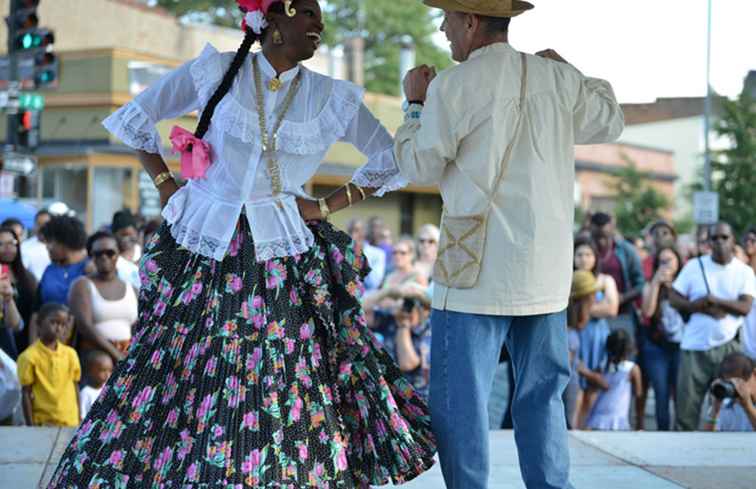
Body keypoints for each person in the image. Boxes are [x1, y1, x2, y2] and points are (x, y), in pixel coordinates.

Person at [48, 1, 435, 487]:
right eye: (309, 13)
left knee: (284, 378)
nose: (320, 24)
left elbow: (394, 157)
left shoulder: (330, 96)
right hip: (203, 251)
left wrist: (329, 203)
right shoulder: (215, 70)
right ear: (274, 20)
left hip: (283, 256)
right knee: (185, 371)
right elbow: (137, 117)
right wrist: (167, 183)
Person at [395, 0, 623, 486]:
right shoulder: (557, 80)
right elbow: (610, 119)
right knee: (542, 395)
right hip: (543, 272)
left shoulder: (452, 86)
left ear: (472, 21)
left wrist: (414, 103)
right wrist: (570, 70)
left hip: (473, 271)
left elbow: (417, 166)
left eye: (449, 19)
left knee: (461, 403)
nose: (443, 27)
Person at [670, 221, 756, 430]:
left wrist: (714, 300)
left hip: (728, 348)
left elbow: (745, 307)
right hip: (694, 347)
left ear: (732, 240)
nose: (719, 242)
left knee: (732, 405)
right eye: (714, 238)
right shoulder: (694, 266)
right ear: (708, 242)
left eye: (724, 238)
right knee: (687, 412)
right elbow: (673, 297)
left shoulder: (743, 271)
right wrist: (697, 305)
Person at [69, 231, 138, 364]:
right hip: (94, 360)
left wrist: (129, 357)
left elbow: (137, 328)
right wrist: (116, 355)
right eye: (98, 254)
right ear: (91, 257)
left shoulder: (132, 289)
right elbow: (84, 326)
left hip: (126, 358)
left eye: (110, 253)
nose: (104, 257)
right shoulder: (82, 285)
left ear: (118, 254)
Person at [572, 237, 619, 428]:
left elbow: (612, 309)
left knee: (592, 391)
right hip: (577, 338)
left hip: (598, 339)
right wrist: (596, 307)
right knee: (576, 391)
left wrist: (579, 308)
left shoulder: (605, 280)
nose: (583, 259)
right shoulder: (569, 279)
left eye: (588, 254)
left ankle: (586, 430)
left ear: (595, 258)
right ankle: (573, 430)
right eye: (579, 254)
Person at [640, 246, 684, 430]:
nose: (666, 264)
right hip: (657, 347)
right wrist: (657, 284)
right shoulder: (650, 285)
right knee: (661, 391)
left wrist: (671, 286)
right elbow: (647, 312)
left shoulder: (685, 283)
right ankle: (663, 432)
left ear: (678, 262)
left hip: (681, 346)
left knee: (681, 392)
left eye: (670, 260)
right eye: (662, 261)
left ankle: (681, 432)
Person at [17, 303, 80, 427]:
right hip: (43, 422)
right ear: (39, 323)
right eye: (54, 322)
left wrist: (78, 417)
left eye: (63, 324)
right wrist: (31, 425)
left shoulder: (70, 354)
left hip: (70, 420)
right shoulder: (29, 356)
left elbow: (75, 386)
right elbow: (26, 392)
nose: (59, 328)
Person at [32, 215, 92, 345]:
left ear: (64, 242)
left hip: (81, 344)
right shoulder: (49, 270)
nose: (47, 247)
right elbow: (36, 310)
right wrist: (32, 347)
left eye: (50, 242)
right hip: (46, 343)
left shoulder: (90, 268)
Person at [590, 212, 645, 336]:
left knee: (623, 352)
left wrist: (622, 297)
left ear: (612, 229)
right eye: (597, 237)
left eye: (605, 237)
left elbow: (640, 283)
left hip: (622, 315)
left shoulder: (626, 250)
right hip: (590, 316)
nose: (601, 242)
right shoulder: (583, 251)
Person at [585, 329, 643, 430]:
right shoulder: (633, 369)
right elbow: (639, 395)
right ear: (629, 349)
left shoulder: (601, 368)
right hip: (619, 418)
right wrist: (639, 422)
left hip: (597, 418)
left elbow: (591, 391)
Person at [0, 226, 37, 358]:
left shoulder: (28, 277)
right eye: (1, 244)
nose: (7, 248)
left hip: (25, 338)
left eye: (12, 243)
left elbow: (35, 311)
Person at [704, 352, 756, 432]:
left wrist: (748, 406)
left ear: (754, 374)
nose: (737, 388)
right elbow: (707, 440)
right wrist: (715, 410)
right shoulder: (725, 406)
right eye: (730, 384)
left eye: (739, 382)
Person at [348, 218, 387, 292]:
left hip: (369, 299)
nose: (359, 234)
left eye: (361, 230)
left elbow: (374, 284)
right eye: (355, 231)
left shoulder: (378, 254)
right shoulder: (343, 254)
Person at [79, 350, 113, 421]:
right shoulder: (86, 393)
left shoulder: (109, 389)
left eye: (110, 370)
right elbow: (82, 417)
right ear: (90, 371)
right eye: (103, 370)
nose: (107, 375)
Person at [20, 209, 52, 282]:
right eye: (39, 224)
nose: (42, 228)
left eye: (45, 224)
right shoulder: (25, 247)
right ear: (34, 225)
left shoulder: (60, 246)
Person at [743, 227, 756, 361]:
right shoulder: (741, 272)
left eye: (753, 240)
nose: (748, 243)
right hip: (744, 348)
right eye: (746, 240)